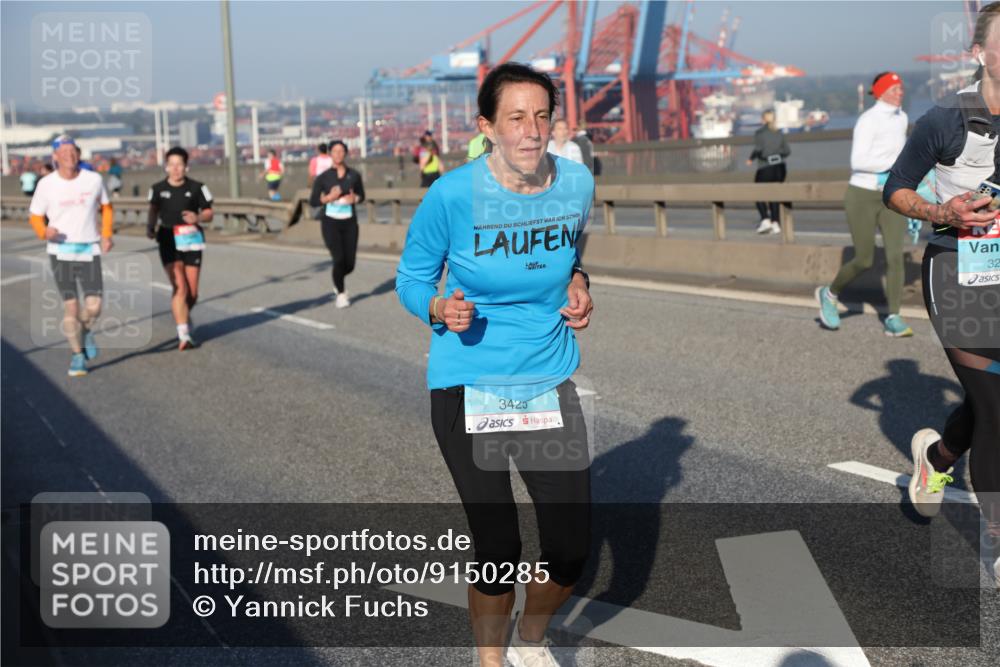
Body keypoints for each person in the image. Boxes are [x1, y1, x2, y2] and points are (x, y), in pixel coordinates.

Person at [396, 62, 595, 667]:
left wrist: (580, 280)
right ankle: (489, 661)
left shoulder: (577, 183)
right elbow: (411, 276)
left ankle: (530, 641)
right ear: (487, 127)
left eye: (542, 116)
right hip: (468, 385)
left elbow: (573, 247)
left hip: (546, 379)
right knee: (498, 545)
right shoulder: (453, 194)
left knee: (569, 549)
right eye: (516, 118)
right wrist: (436, 305)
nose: (532, 130)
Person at [883, 2, 1000, 586]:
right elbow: (895, 188)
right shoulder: (946, 119)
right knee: (999, 410)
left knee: (987, 403)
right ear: (980, 53)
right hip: (958, 268)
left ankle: (935, 459)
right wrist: (941, 210)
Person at [817, 71, 912, 337]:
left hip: (892, 195)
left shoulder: (902, 118)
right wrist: (894, 166)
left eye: (901, 89)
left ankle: (893, 316)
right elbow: (857, 161)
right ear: (880, 92)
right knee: (864, 259)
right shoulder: (868, 120)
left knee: (895, 256)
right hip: (862, 194)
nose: (900, 93)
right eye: (894, 89)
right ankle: (830, 293)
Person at [27, 135, 114, 377]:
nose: (69, 155)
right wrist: (44, 231)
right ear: (55, 157)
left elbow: (106, 207)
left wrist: (106, 234)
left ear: (78, 153)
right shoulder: (47, 184)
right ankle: (77, 356)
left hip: (88, 249)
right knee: (72, 308)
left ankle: (85, 332)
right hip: (60, 251)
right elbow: (35, 215)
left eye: (72, 151)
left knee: (94, 307)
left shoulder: (93, 180)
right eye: (63, 152)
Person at [147, 146, 214, 350]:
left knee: (192, 293)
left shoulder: (198, 187)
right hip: (168, 238)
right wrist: (150, 227)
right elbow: (153, 209)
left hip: (191, 239)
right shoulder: (157, 189)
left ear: (186, 166)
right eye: (172, 165)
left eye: (180, 165)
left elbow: (209, 212)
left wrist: (199, 217)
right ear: (166, 166)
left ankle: (183, 315)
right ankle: (183, 332)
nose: (176, 169)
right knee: (180, 287)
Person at [309, 140, 365, 308]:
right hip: (330, 223)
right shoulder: (324, 177)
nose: (338, 154)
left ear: (345, 153)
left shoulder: (354, 175)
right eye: (335, 151)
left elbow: (362, 195)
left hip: (349, 223)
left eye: (341, 151)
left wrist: (354, 198)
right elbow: (313, 201)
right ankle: (341, 293)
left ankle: (337, 279)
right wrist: (328, 198)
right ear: (330, 154)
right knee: (338, 258)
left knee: (350, 263)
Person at [747, 110, 790, 235]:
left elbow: (758, 149)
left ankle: (765, 219)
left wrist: (751, 158)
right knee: (774, 194)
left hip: (766, 167)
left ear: (763, 119)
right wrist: (777, 155)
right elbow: (787, 151)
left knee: (757, 193)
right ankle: (776, 223)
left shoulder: (760, 133)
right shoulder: (779, 133)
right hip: (780, 168)